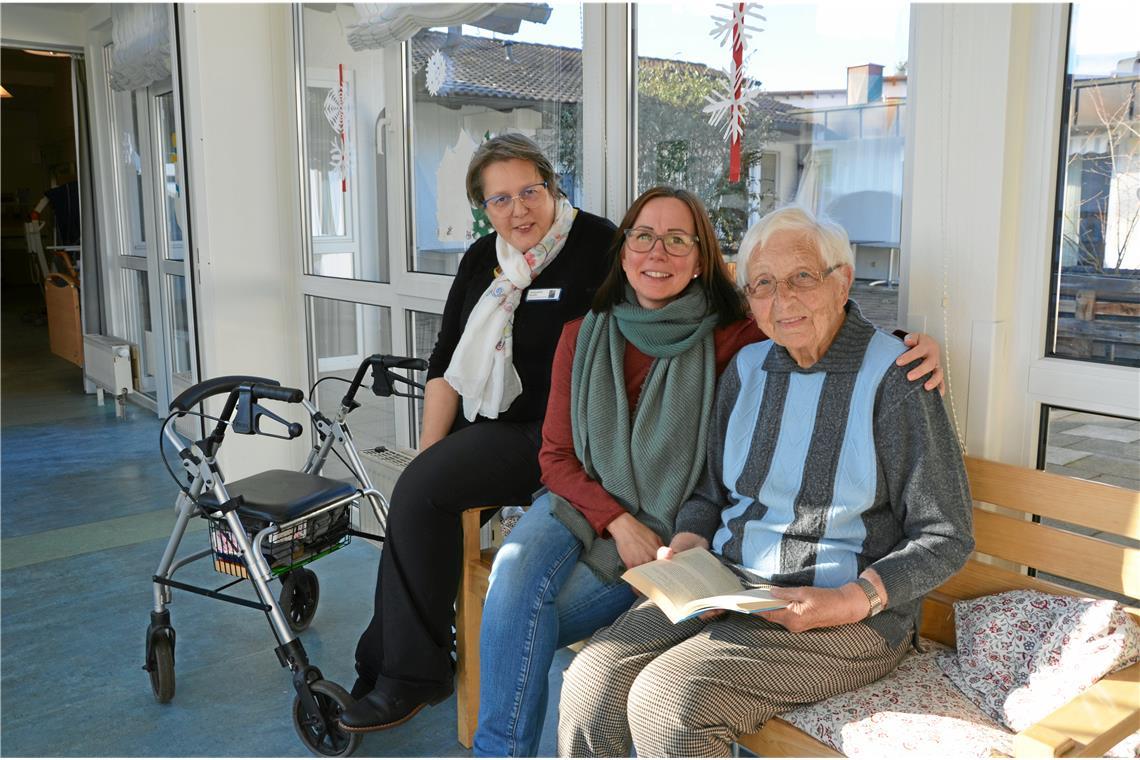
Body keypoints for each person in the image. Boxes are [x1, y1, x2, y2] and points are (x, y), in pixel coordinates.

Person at [474, 192, 945, 757]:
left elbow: (946, 533)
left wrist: (854, 599)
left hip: (842, 612)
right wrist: (694, 541)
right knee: (589, 679)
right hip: (726, 580)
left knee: (668, 701)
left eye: (802, 277)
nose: (783, 299)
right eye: (764, 284)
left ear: (842, 282)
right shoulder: (748, 365)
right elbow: (709, 491)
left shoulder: (895, 379)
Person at [340, 133, 617, 733]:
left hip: (558, 439)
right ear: (483, 208)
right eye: (499, 200)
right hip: (489, 428)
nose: (518, 210)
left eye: (529, 191)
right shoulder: (481, 258)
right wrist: (429, 458)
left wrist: (430, 476)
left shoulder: (599, 244)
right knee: (418, 495)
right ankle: (390, 663)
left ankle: (408, 675)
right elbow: (443, 362)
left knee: (422, 493)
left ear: (552, 186)